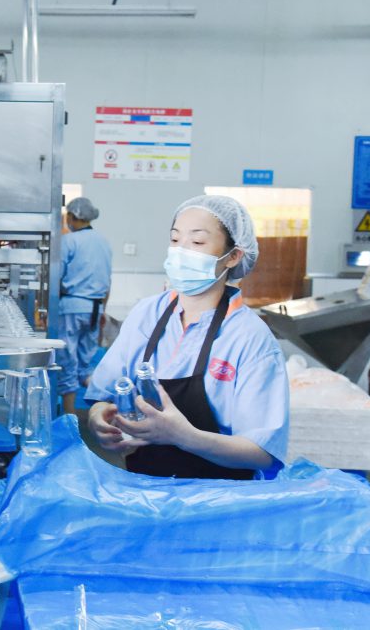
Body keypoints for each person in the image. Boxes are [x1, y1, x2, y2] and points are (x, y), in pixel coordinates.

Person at [85, 195, 288, 479]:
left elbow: (263, 454)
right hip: (146, 490)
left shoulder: (249, 337)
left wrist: (184, 436)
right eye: (175, 239)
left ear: (233, 257)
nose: (181, 251)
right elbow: (104, 396)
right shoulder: (147, 314)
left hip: (221, 497)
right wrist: (99, 418)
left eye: (197, 242)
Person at [57, 197, 113, 415]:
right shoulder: (103, 242)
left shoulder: (69, 241)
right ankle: (108, 410)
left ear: (72, 216)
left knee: (67, 362)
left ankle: (69, 419)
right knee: (86, 366)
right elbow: (108, 281)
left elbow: (56, 276)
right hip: (95, 308)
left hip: (71, 307)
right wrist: (102, 311)